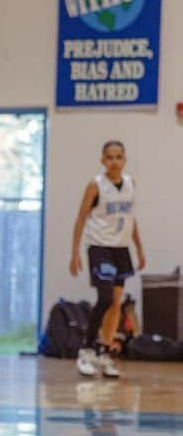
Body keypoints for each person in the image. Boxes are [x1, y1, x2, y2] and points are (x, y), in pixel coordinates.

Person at [69, 140, 144, 377]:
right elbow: (81, 218)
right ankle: (86, 350)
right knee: (104, 298)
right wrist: (75, 253)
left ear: (124, 159)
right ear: (102, 160)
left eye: (119, 157)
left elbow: (131, 220)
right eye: (109, 157)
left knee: (115, 304)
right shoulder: (95, 185)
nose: (114, 161)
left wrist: (139, 249)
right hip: (99, 248)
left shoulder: (131, 184)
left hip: (121, 249)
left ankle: (103, 353)